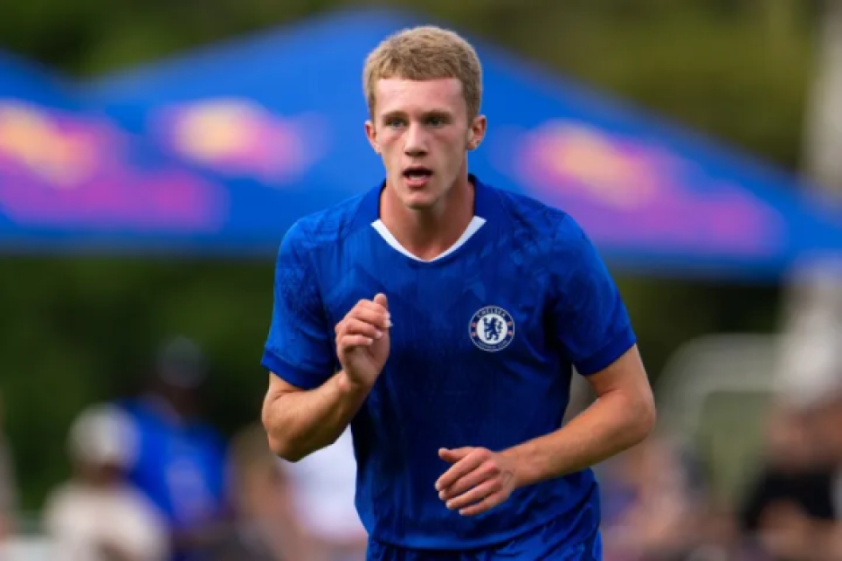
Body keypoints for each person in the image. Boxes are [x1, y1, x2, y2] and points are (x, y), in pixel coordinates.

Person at [260, 25, 656, 560]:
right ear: (372, 134)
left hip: (542, 542)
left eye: (436, 121)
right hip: (402, 546)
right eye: (396, 122)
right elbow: (284, 436)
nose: (415, 142)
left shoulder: (547, 244)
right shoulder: (318, 250)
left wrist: (517, 465)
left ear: (475, 131)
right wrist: (350, 384)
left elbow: (632, 405)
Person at [42, 403, 170, 561]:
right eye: (98, 464)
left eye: (109, 466)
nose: (104, 472)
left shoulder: (138, 507)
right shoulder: (63, 504)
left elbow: (153, 549)